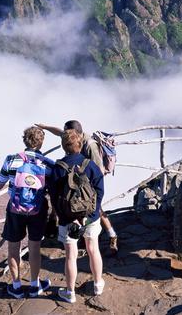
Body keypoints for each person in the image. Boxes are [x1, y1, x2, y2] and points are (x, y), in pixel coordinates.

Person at [36, 120, 119, 255]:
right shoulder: (75, 136)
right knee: (71, 203)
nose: (65, 134)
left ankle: (112, 236)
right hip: (77, 180)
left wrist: (88, 189)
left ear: (76, 133)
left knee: (96, 209)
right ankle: (80, 232)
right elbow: (60, 133)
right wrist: (45, 127)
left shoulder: (90, 146)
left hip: (88, 183)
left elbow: (98, 170)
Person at [0, 126, 53, 298]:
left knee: (13, 248)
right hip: (37, 210)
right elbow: (51, 188)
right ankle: (34, 285)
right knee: (34, 248)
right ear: (41, 143)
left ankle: (16, 286)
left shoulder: (11, 160)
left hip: (15, 210)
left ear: (24, 140)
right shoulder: (47, 164)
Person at [49, 129, 105, 304]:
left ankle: (70, 292)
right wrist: (91, 214)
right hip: (91, 216)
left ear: (63, 147)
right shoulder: (90, 166)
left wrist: (65, 216)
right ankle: (97, 284)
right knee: (93, 249)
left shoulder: (58, 168)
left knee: (70, 256)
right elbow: (100, 191)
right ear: (80, 145)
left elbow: (54, 196)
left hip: (68, 219)